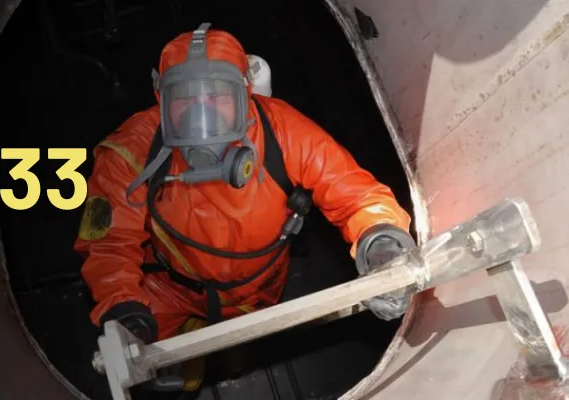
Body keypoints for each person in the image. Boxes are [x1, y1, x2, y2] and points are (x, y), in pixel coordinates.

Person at [74, 23, 416, 393]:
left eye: (217, 94)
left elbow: (357, 196)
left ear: (245, 91)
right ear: (161, 96)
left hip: (255, 291)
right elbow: (110, 244)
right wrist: (125, 313)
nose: (202, 112)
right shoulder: (131, 151)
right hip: (170, 289)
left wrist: (381, 243)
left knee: (243, 349)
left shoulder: (283, 131)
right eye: (185, 95)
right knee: (158, 369)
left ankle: (230, 359)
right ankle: (186, 369)